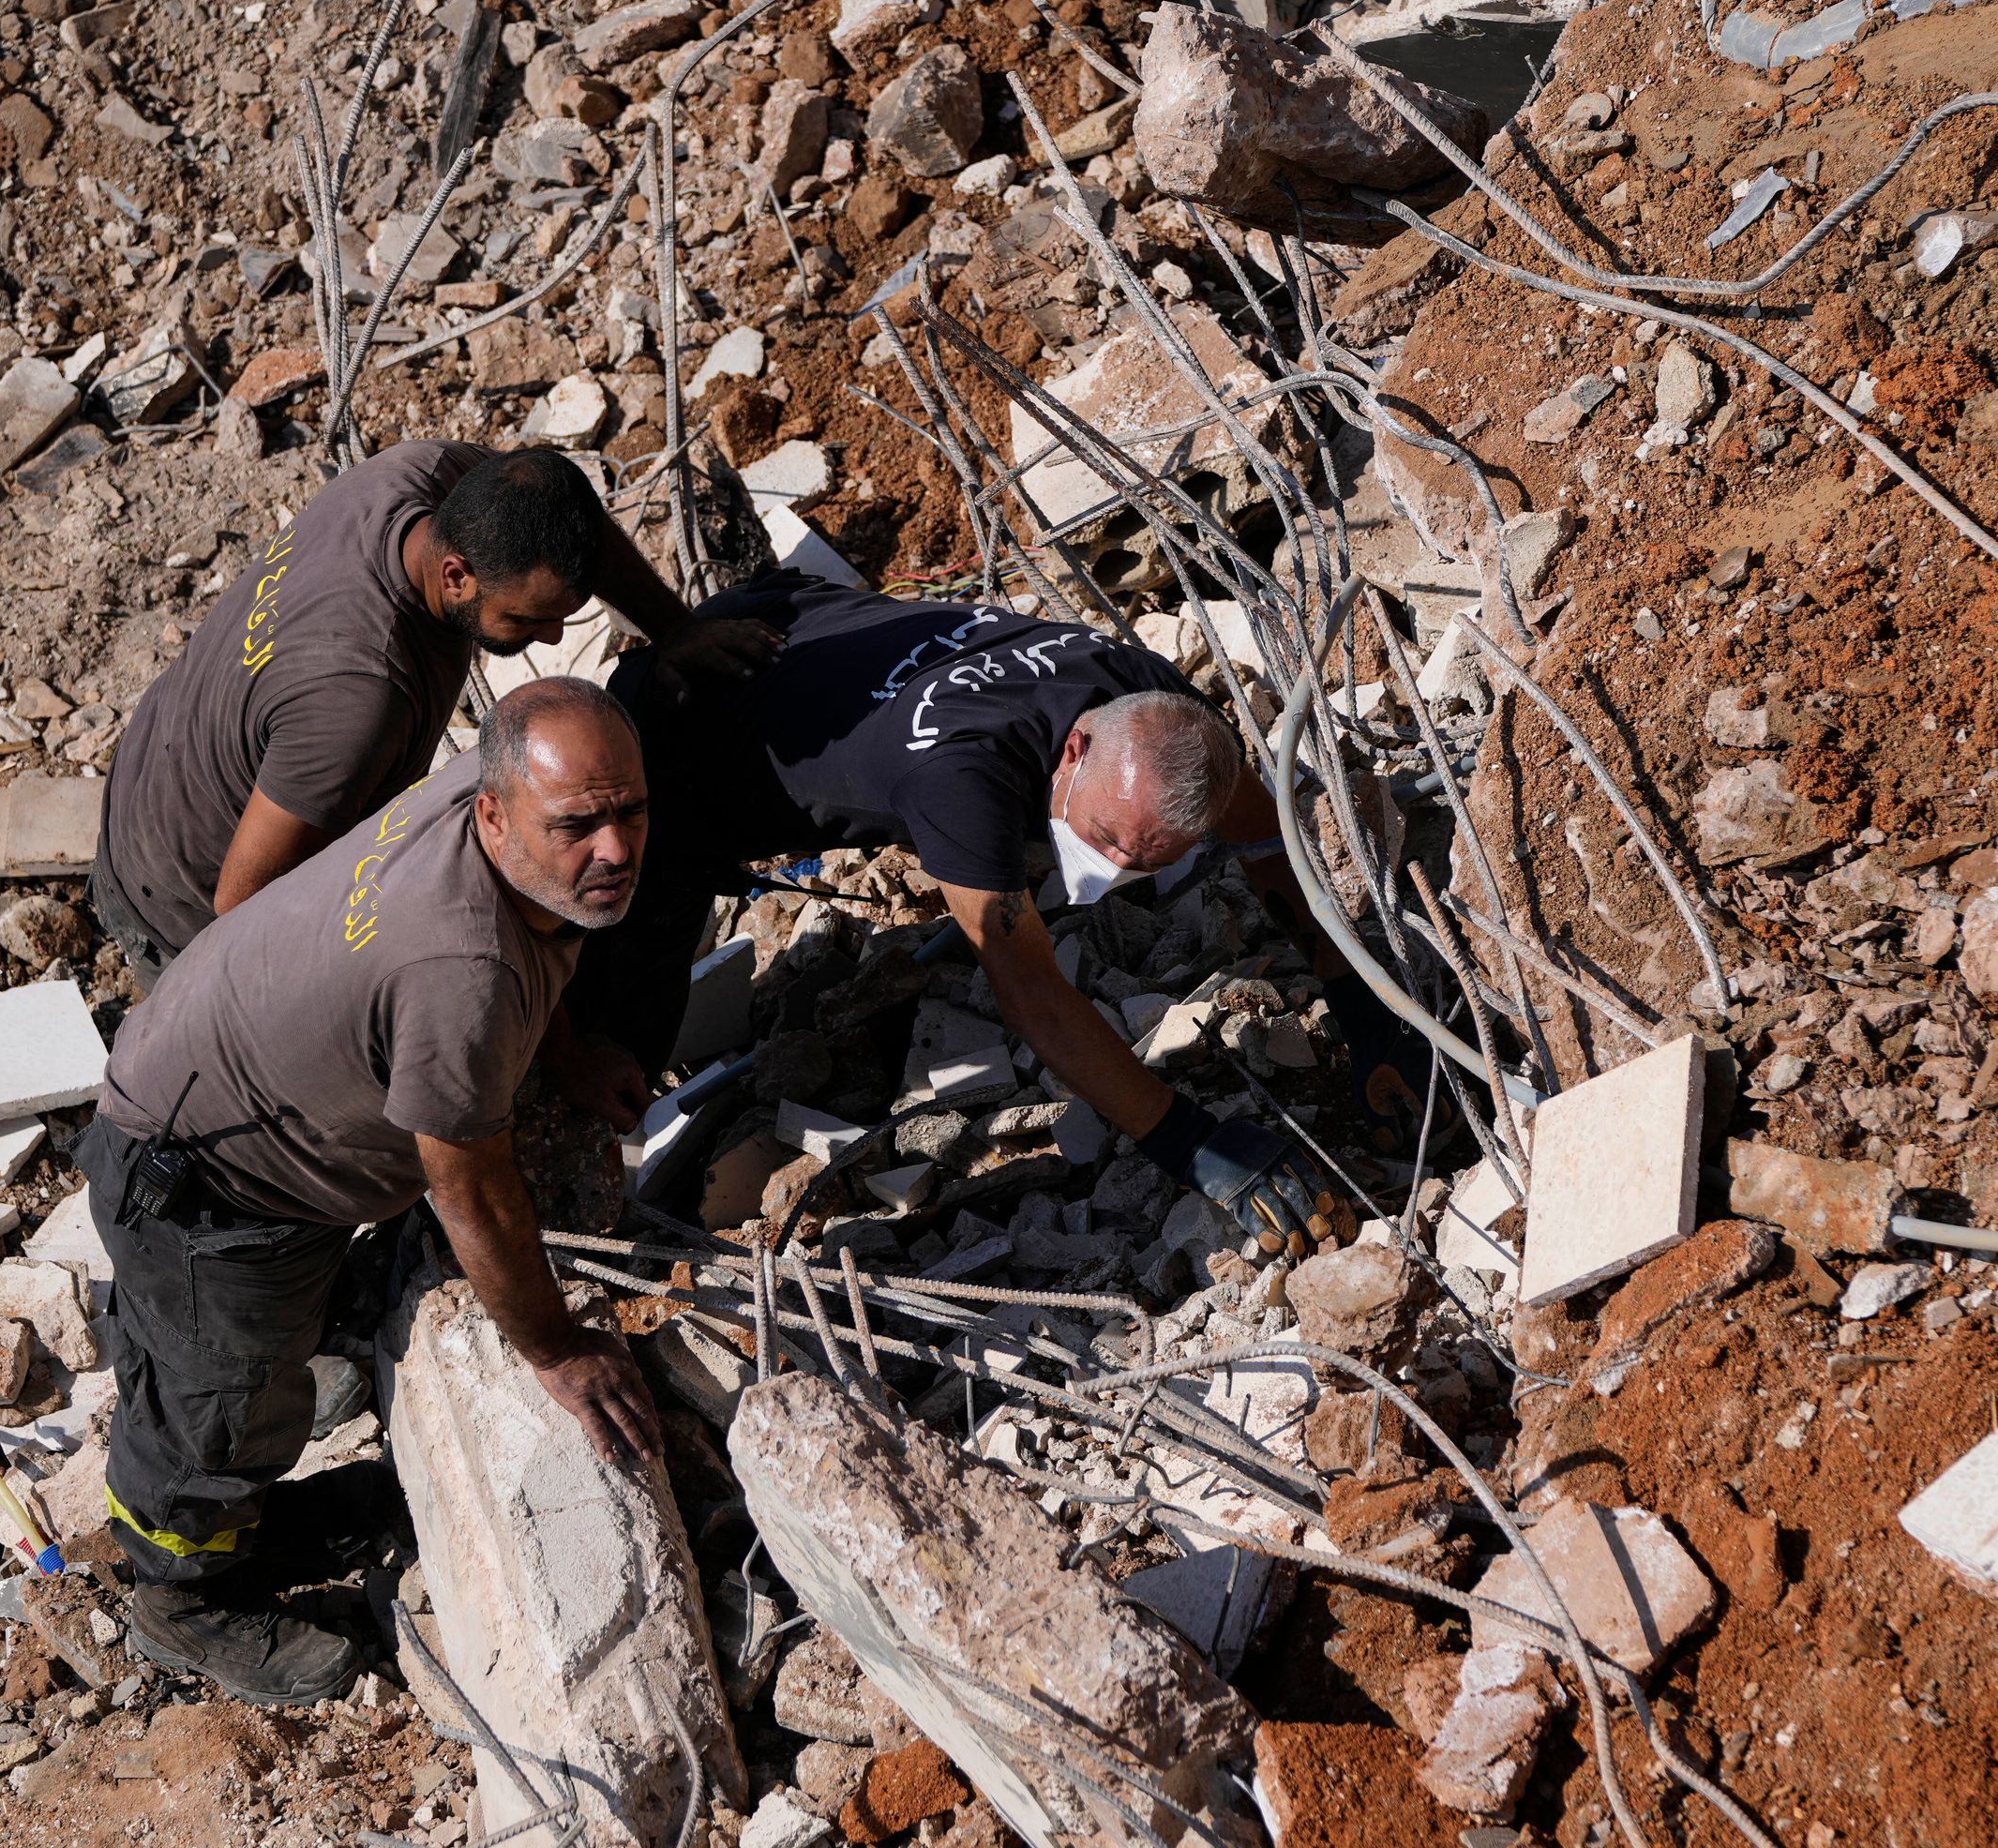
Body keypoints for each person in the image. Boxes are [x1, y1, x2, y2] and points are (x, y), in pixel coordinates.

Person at [81, 676, 664, 1705]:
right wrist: (556, 1348)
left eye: (631, 812)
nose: (614, 849)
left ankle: (240, 1448)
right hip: (208, 1182)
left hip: (248, 1116)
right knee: (220, 1406)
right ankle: (182, 1592)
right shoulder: (458, 967)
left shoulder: (497, 828)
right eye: (581, 824)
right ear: (494, 809)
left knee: (237, 1360)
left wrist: (562, 1055)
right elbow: (470, 1193)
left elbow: (549, 942)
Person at [561, 576, 1399, 1244]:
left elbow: (1264, 847)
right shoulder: (963, 782)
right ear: (1075, 748)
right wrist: (1190, 1141)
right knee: (616, 1032)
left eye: (1151, 858)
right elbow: (1034, 997)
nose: (1112, 868)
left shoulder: (1150, 701)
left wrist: (1360, 999)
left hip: (800, 626)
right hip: (671, 740)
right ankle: (568, 1218)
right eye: (1106, 836)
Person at [90, 441, 776, 985]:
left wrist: (676, 629)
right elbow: (244, 904)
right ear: (456, 576)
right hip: (180, 904)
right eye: (530, 618)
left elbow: (573, 521)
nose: (555, 638)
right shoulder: (363, 695)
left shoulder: (431, 477)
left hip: (159, 766)